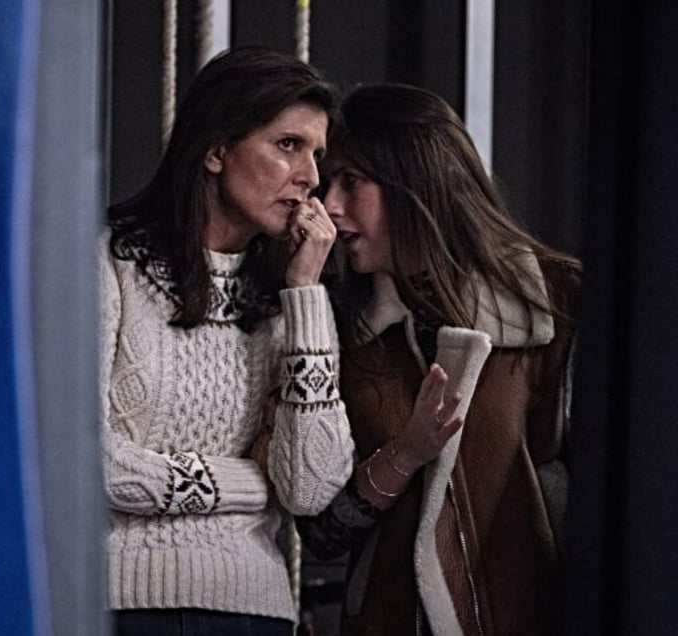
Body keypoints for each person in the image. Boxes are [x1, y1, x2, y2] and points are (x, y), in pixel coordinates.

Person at [295, 83, 581, 635]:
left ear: (414, 184)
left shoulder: (556, 303)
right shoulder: (342, 331)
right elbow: (324, 533)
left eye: (351, 182)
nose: (328, 205)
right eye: (330, 184)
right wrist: (403, 454)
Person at [98, 47, 355, 636]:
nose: (312, 177)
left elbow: (312, 488)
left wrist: (305, 294)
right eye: (288, 145)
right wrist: (249, 482)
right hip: (120, 607)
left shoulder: (291, 297)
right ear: (216, 150)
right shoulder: (110, 262)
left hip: (255, 612)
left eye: (317, 153)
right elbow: (87, 461)